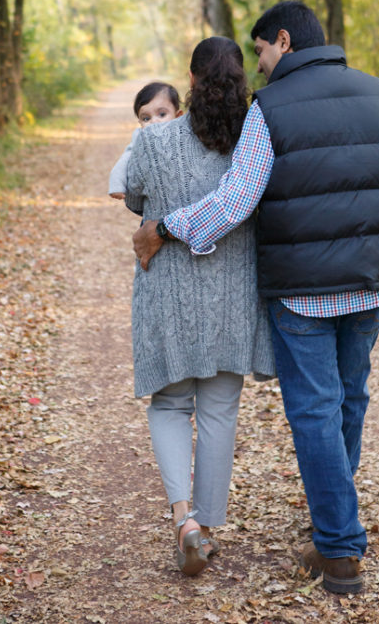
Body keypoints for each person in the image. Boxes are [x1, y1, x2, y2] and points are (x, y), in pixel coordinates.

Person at [133, 1, 379, 594]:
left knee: (316, 411)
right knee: (350, 399)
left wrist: (165, 228)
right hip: (372, 287)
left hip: (303, 294)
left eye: (263, 51)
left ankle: (340, 548)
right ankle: (334, 527)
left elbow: (236, 202)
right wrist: (372, 240)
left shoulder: (271, 109)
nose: (260, 66)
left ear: (285, 41)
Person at [124, 37, 275, 576]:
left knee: (169, 406)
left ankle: (184, 520)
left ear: (189, 82)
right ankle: (207, 528)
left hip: (167, 288)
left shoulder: (153, 139)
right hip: (233, 294)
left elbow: (136, 197)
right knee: (218, 411)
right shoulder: (256, 138)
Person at [108, 81, 182, 199]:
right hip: (155, 200)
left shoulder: (184, 135)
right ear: (140, 123)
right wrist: (116, 184)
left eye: (162, 114)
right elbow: (125, 159)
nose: (154, 121)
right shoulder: (141, 139)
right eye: (146, 118)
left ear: (178, 116)